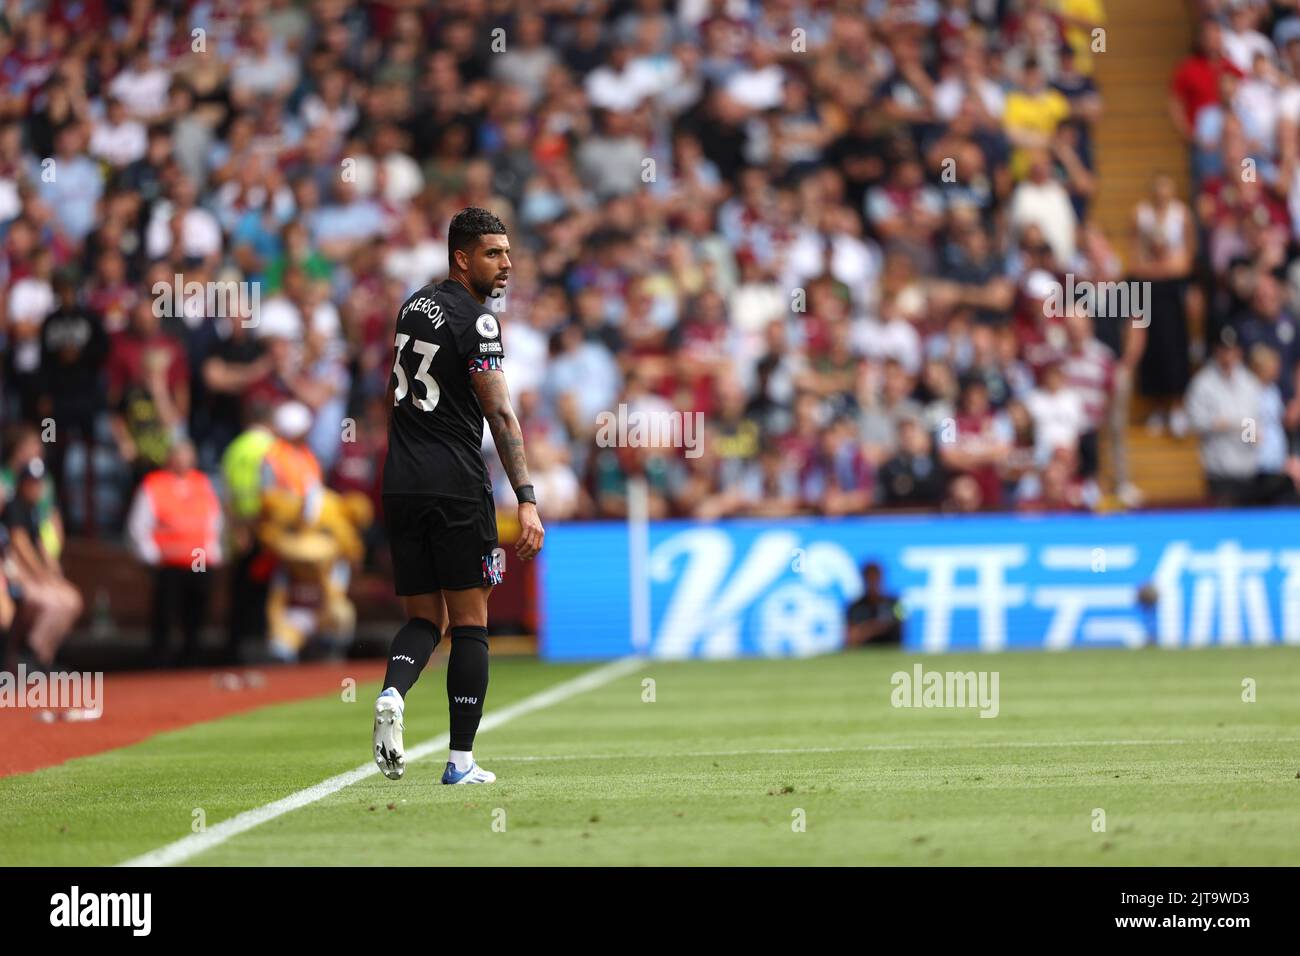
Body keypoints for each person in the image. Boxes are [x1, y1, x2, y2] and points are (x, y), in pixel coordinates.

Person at [373, 207, 544, 786]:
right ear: (461, 258)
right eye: (494, 254)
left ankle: (393, 694)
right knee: (471, 624)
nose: (507, 265)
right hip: (454, 482)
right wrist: (525, 495)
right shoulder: (479, 321)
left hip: (400, 479)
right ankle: (461, 761)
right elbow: (498, 408)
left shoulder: (412, 305)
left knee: (424, 617)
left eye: (508, 253)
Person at [126, 439, 224, 666]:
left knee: (196, 611)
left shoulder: (202, 483)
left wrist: (215, 550)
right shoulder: (155, 484)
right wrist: (150, 553)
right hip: (169, 560)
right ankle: (160, 659)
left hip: (199, 559)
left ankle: (192, 657)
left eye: (188, 455)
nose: (184, 460)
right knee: (165, 612)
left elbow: (213, 520)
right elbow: (139, 524)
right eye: (179, 455)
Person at [2, 459, 83, 667]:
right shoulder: (15, 506)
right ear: (22, 484)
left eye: (39, 483)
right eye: (32, 482)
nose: (37, 487)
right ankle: (27, 656)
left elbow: (39, 546)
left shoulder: (34, 510)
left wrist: (52, 573)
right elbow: (20, 545)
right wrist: (42, 575)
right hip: (16, 576)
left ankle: (40, 658)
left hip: (30, 575)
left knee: (72, 600)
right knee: (52, 603)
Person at [845, 562, 904, 647]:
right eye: (870, 578)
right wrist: (875, 627)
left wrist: (867, 629)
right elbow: (851, 638)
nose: (873, 581)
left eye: (875, 577)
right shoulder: (854, 607)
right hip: (863, 654)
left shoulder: (895, 603)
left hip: (891, 650)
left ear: (881, 578)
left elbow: (901, 626)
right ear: (864, 579)